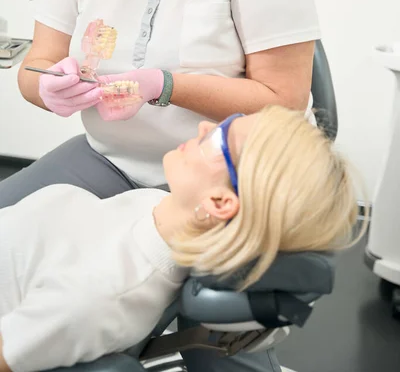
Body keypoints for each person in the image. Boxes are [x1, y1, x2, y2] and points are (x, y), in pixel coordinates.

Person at [2, 0, 320, 371]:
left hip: (213, 177)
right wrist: (47, 86)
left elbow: (283, 99)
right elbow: (36, 66)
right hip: (106, 158)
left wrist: (164, 84)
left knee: (218, 347)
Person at [0, 106, 362, 372]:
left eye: (221, 137)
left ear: (219, 202)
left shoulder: (99, 296)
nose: (205, 126)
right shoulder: (162, 209)